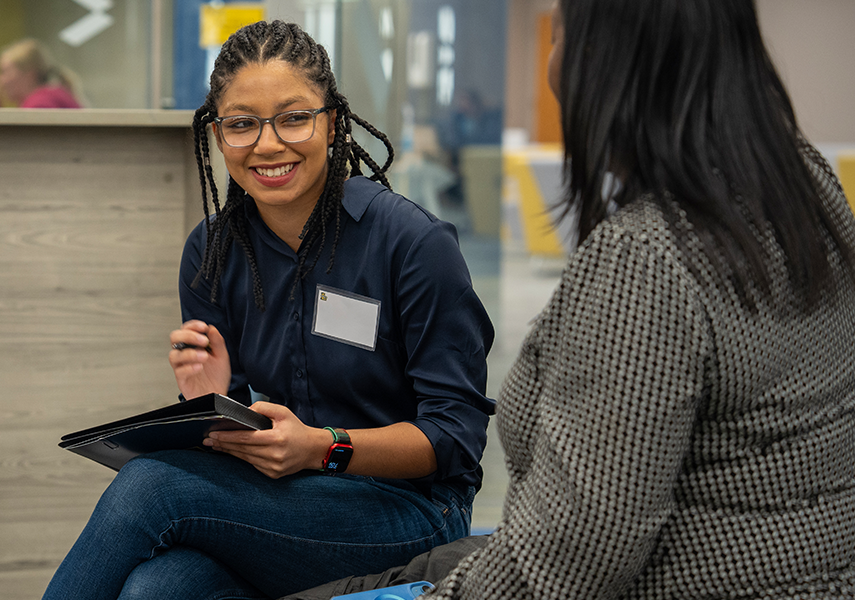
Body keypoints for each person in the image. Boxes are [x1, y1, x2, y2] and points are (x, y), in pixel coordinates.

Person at [285, 0, 855, 598]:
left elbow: (574, 559)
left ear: (605, 59)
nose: (552, 66)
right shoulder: (804, 184)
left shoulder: (649, 260)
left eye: (558, 32)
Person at [43, 20, 495, 600]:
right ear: (218, 134)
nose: (267, 144)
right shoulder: (212, 250)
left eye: (293, 117)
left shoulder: (411, 244)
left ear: (332, 123)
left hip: (411, 508)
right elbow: (250, 438)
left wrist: (323, 445)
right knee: (157, 588)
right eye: (242, 124)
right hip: (287, 501)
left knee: (149, 488)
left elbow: (455, 438)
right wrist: (210, 405)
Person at [0, 38, 83, 109]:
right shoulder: (50, 96)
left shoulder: (38, 104)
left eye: (4, 72)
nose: (0, 80)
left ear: (30, 74)